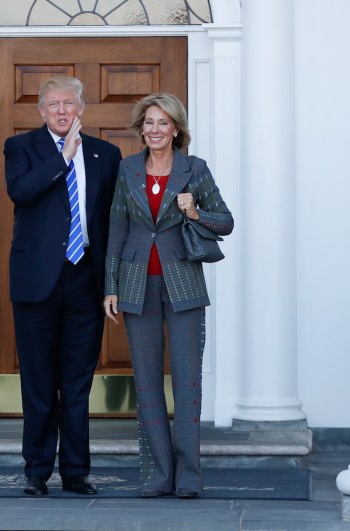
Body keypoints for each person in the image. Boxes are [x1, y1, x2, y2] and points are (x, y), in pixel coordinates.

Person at [103, 93, 233, 499]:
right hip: (138, 285)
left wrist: (195, 212)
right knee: (146, 385)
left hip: (184, 287)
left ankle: (189, 477)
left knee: (187, 383)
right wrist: (111, 286)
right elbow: (117, 230)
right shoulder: (127, 169)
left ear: (176, 129)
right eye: (149, 123)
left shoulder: (195, 169)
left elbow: (225, 222)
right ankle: (158, 475)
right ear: (141, 128)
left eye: (163, 123)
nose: (155, 130)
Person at [5, 76, 122, 496]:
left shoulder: (107, 154)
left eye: (68, 103)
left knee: (76, 383)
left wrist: (113, 282)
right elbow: (20, 192)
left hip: (84, 279)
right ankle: (36, 471)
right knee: (38, 384)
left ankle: (75, 472)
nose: (60, 110)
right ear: (40, 110)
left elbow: (112, 222)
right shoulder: (21, 149)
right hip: (37, 282)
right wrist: (63, 159)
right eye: (52, 104)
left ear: (81, 109)